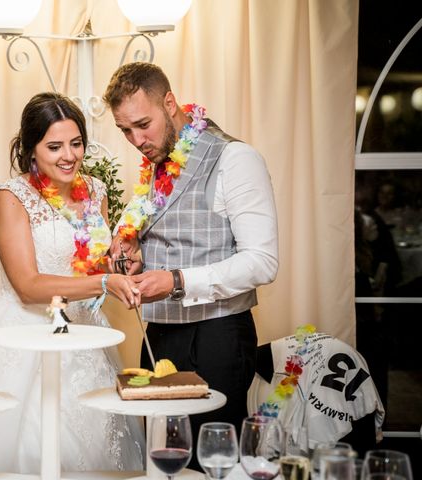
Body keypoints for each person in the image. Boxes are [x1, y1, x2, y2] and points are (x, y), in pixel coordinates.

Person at [0, 92, 144, 477]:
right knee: (34, 446)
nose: (69, 156)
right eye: (54, 146)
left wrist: (121, 262)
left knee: (94, 445)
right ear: (32, 149)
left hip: (84, 337)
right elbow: (27, 285)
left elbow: (89, 264)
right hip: (25, 336)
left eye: (76, 143)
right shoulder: (12, 197)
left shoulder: (95, 191)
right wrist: (105, 280)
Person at [103, 62, 279, 470]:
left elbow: (263, 261)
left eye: (143, 124)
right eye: (125, 130)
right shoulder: (158, 162)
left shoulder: (236, 158)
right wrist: (134, 246)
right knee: (161, 463)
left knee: (206, 465)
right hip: (160, 337)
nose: (136, 139)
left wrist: (178, 280)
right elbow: (179, 234)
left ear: (170, 102)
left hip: (216, 338)